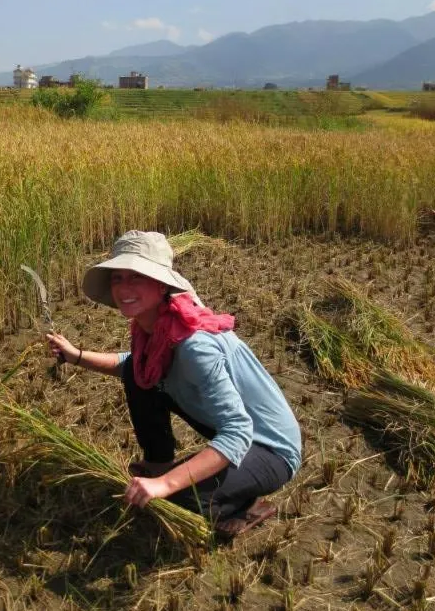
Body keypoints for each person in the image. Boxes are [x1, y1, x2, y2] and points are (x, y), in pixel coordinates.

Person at [47, 230, 301, 538]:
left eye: (136, 277)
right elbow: (132, 365)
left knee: (176, 502)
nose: (124, 288)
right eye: (118, 278)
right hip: (228, 427)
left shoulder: (194, 345)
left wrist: (164, 486)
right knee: (138, 374)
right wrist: (77, 356)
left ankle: (243, 501)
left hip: (271, 448)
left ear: (161, 284)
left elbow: (238, 430)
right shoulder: (153, 329)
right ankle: (158, 464)